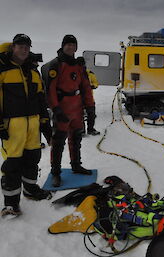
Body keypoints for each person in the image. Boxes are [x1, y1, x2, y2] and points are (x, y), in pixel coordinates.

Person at [0, 34, 52, 217]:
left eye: (27, 46)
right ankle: (11, 204)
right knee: (13, 164)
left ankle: (30, 190)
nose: (24, 49)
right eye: (20, 46)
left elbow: (40, 98)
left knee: (32, 158)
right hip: (12, 125)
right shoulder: (2, 69)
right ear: (13, 47)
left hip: (33, 124)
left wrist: (45, 124)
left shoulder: (33, 70)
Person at [45, 35, 96, 187]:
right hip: (63, 108)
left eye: (73, 45)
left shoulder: (79, 65)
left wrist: (90, 107)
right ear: (63, 46)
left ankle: (76, 165)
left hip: (77, 108)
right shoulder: (56, 64)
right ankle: (55, 172)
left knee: (76, 139)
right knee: (58, 142)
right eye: (67, 44)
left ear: (76, 47)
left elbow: (86, 86)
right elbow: (51, 89)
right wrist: (56, 108)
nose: (70, 47)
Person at [77, 57, 100, 136]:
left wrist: (92, 86)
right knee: (79, 115)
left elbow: (96, 83)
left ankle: (91, 129)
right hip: (78, 98)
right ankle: (81, 130)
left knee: (91, 114)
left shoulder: (89, 73)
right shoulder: (74, 74)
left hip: (89, 97)